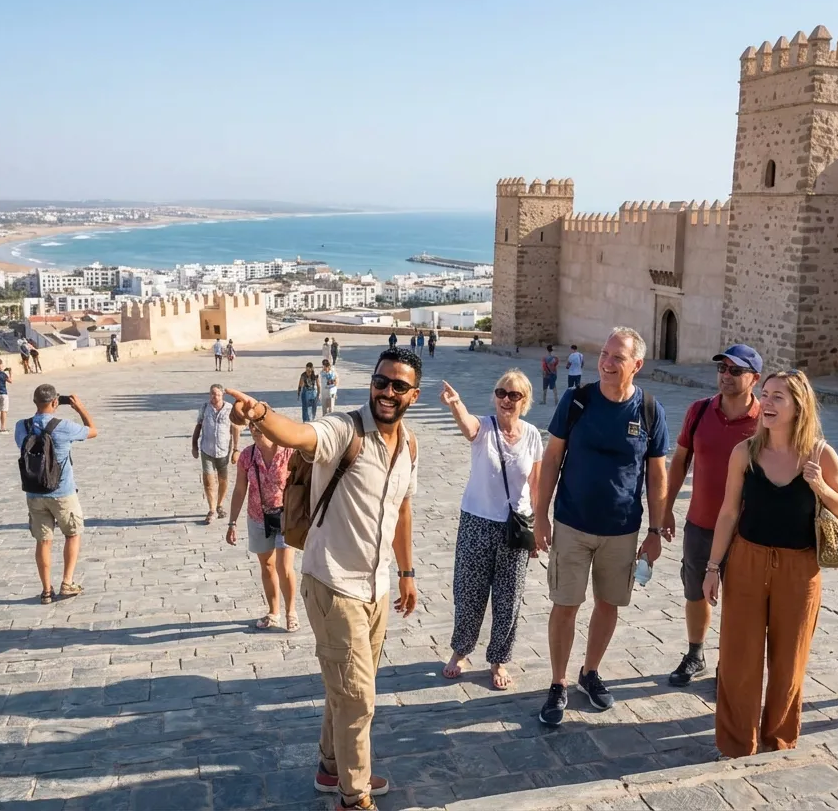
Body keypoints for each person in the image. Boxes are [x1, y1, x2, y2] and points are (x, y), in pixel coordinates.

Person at [226, 348, 420, 811]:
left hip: (376, 587)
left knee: (346, 685)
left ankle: (332, 768)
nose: (387, 392)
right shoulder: (345, 430)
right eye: (381, 381)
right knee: (358, 697)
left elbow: (402, 509)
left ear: (414, 395)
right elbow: (299, 434)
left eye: (398, 386)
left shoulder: (409, 445)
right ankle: (354, 797)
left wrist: (407, 572)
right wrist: (261, 413)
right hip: (333, 585)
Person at [705, 370, 838, 758]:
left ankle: (778, 738)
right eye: (766, 394)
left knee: (789, 660)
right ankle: (737, 742)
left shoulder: (820, 454)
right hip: (747, 562)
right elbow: (728, 512)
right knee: (738, 658)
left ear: (798, 406)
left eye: (778, 397)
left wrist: (820, 485)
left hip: (799, 569)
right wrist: (712, 567)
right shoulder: (745, 452)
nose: (767, 403)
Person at [533, 327, 669, 725]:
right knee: (565, 604)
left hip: (622, 529)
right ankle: (557, 682)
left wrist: (656, 531)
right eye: (604, 354)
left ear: (637, 365)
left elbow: (657, 475)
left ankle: (589, 672)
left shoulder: (650, 410)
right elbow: (552, 458)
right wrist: (540, 516)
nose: (606, 363)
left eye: (617, 358)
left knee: (608, 604)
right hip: (572, 523)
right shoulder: (577, 401)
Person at [664, 345, 762, 687]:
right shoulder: (699, 410)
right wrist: (666, 509)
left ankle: (729, 663)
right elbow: (680, 461)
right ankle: (695, 653)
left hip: (746, 530)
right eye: (722, 369)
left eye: (736, 371)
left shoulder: (765, 421)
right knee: (694, 590)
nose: (726, 376)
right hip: (701, 522)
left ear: (755, 379)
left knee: (740, 600)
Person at [439, 371, 542, 690]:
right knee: (468, 592)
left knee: (509, 598)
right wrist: (456, 404)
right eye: (501, 393)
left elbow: (536, 484)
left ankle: (499, 659)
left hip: (516, 526)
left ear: (525, 400)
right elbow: (468, 426)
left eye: (513, 395)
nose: (506, 400)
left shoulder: (532, 435)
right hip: (477, 521)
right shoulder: (484, 427)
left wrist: (539, 525)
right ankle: (460, 651)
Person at [15, 385, 97, 604]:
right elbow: (92, 430)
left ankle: (46, 590)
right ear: (55, 402)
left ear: (34, 402)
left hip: (34, 492)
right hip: (62, 492)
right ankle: (67, 583)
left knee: (43, 541)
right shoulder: (64, 426)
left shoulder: (22, 426)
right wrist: (80, 408)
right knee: (72, 534)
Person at [226, 428, 298, 631]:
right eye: (252, 428)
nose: (256, 431)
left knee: (284, 567)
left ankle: (291, 612)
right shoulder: (247, 456)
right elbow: (240, 489)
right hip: (258, 516)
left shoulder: (289, 452)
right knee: (267, 566)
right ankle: (273, 612)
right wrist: (232, 523)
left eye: (260, 427)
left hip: (285, 517)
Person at [192, 384, 241, 524]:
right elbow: (198, 426)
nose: (215, 397)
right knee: (208, 481)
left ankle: (219, 504)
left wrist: (236, 449)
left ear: (222, 395)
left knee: (223, 479)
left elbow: (235, 429)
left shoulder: (230, 409)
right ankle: (212, 509)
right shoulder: (205, 408)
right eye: (213, 394)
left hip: (223, 450)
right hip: (206, 449)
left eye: (218, 394)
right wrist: (194, 445)